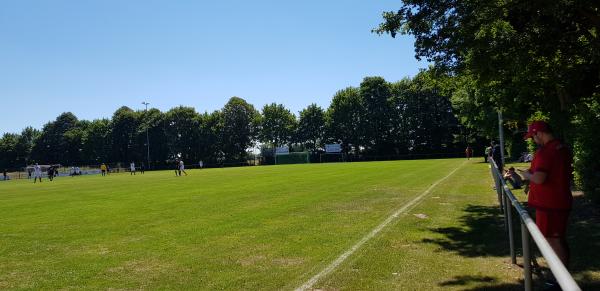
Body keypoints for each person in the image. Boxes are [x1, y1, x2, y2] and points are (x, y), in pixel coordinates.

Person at [520, 121, 573, 282]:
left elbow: (539, 178)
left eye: (533, 137)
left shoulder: (546, 152)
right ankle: (562, 276)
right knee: (558, 239)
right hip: (559, 201)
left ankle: (560, 279)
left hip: (550, 204)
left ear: (539, 133)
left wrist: (526, 175)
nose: (533, 140)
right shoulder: (561, 148)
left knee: (552, 240)